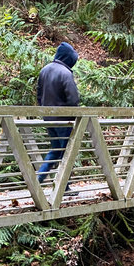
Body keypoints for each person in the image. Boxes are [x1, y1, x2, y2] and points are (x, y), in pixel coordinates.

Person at [36, 42, 80, 187]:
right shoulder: (65, 73)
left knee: (55, 150)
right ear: (68, 58)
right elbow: (73, 99)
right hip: (64, 120)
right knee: (66, 153)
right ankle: (63, 187)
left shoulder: (45, 70)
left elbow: (38, 95)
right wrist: (74, 114)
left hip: (48, 119)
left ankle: (37, 181)